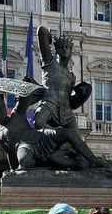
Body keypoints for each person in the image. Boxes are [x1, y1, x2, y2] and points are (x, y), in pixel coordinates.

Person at [33, 26, 107, 169]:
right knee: (38, 122)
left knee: (77, 139)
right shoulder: (49, 62)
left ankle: (93, 161)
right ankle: (61, 139)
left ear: (71, 50)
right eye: (62, 47)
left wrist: (82, 95)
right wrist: (48, 36)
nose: (65, 50)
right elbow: (41, 31)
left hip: (65, 109)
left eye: (68, 47)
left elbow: (70, 100)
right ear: (57, 49)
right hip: (50, 102)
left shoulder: (71, 76)